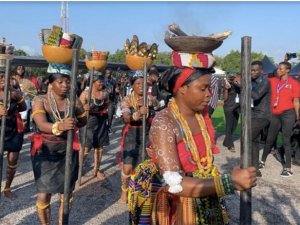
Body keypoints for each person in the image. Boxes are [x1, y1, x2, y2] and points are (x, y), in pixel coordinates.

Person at [128, 67, 256, 225]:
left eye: (209, 88)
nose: (209, 94)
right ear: (182, 88)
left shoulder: (201, 115)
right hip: (177, 206)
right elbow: (175, 184)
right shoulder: (164, 122)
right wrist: (230, 182)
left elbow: (204, 162)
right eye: (203, 88)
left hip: (205, 197)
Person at [29, 64, 87, 224]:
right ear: (50, 82)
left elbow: (83, 121)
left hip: (68, 150)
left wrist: (78, 118)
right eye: (60, 82)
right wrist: (59, 126)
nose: (65, 85)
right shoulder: (40, 100)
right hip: (46, 152)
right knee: (44, 193)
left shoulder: (73, 100)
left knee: (67, 192)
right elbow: (41, 124)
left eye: (67, 81)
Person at [118, 71, 158, 203]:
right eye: (138, 83)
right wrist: (139, 113)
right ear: (132, 86)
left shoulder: (151, 98)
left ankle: (142, 190)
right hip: (132, 134)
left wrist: (153, 109)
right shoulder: (127, 99)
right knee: (128, 167)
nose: (141, 86)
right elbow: (127, 118)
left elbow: (159, 110)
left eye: (143, 83)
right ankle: (124, 189)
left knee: (146, 165)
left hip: (147, 134)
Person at [260, 61, 300, 177]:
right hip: (275, 113)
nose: (278, 70)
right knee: (270, 138)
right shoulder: (273, 81)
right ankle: (262, 161)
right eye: (278, 68)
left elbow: (296, 101)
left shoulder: (294, 83)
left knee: (286, 140)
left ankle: (287, 168)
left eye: (281, 69)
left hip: (288, 113)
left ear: (288, 70)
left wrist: (297, 116)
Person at [0, 67, 27, 199]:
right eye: (0, 77)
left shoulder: (15, 93)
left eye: (6, 77)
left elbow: (24, 108)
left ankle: (7, 188)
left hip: (14, 130)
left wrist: (12, 110)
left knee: (13, 159)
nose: (3, 80)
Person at [79, 73, 109, 180]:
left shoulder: (104, 93)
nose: (102, 83)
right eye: (99, 81)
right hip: (88, 122)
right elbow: (78, 107)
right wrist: (84, 107)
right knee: (86, 147)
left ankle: (97, 169)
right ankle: (79, 168)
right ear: (93, 82)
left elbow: (107, 104)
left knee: (99, 147)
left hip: (100, 121)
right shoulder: (85, 94)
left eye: (102, 81)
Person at [249, 61, 271, 177]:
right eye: (251, 70)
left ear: (260, 71)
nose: (252, 72)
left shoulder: (265, 82)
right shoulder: (251, 81)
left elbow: (256, 95)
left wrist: (243, 85)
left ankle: (247, 166)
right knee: (254, 141)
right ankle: (255, 169)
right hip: (253, 114)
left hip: (263, 115)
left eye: (255, 70)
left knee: (248, 137)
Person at [14, 65, 37, 132]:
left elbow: (34, 91)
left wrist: (28, 93)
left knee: (23, 118)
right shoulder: (12, 79)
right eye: (18, 69)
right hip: (13, 101)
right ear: (15, 70)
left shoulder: (27, 81)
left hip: (24, 101)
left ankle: (22, 130)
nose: (20, 70)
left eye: (22, 69)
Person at [222, 73, 241, 152]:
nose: (232, 79)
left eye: (234, 77)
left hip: (237, 108)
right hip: (229, 108)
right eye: (231, 78)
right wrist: (226, 89)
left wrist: (237, 82)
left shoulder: (238, 85)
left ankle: (226, 141)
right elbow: (225, 99)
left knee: (235, 125)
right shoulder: (227, 85)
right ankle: (230, 145)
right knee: (229, 126)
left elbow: (243, 89)